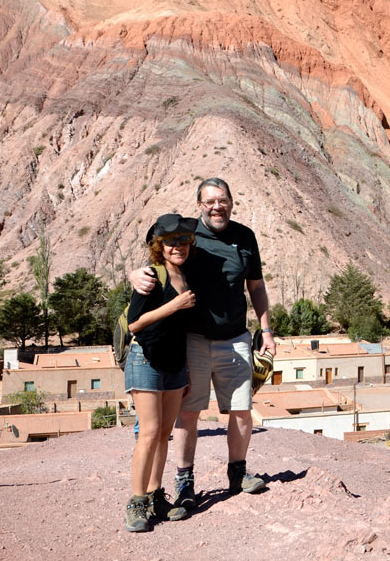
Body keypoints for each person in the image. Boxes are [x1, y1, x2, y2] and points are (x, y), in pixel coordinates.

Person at [130, 177, 275, 512]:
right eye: (210, 201)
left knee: (241, 410)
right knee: (187, 413)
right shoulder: (188, 234)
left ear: (231, 201)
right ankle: (185, 482)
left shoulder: (244, 237)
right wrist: (133, 275)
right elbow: (158, 254)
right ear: (199, 205)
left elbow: (256, 286)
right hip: (192, 338)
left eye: (222, 200)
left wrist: (265, 330)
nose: (217, 207)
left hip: (236, 337)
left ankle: (237, 473)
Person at [123, 214, 198, 532]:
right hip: (146, 360)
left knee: (164, 434)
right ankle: (136, 503)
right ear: (159, 246)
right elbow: (134, 324)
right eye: (171, 241)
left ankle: (156, 496)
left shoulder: (185, 275)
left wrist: (188, 369)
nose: (178, 246)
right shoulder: (151, 276)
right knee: (150, 434)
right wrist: (174, 306)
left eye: (183, 240)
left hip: (175, 365)